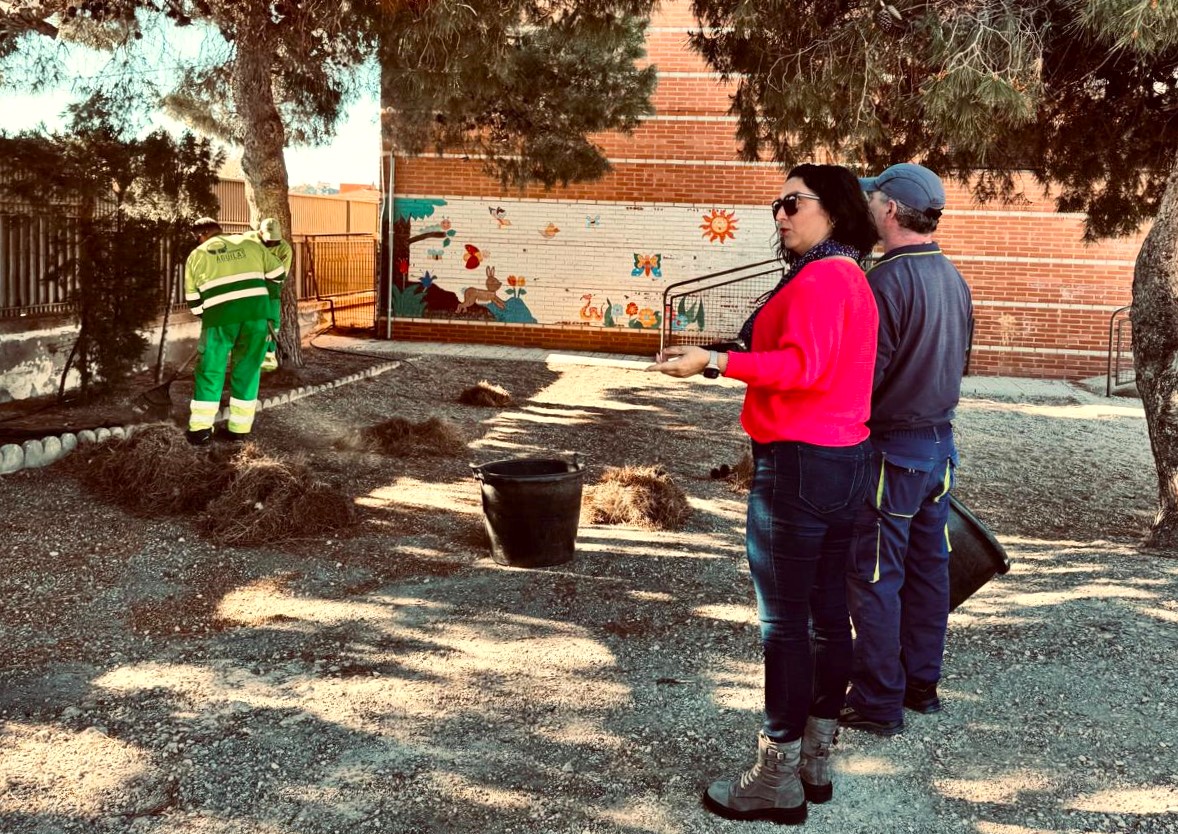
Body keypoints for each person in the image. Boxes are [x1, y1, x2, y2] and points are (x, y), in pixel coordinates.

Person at [648, 164, 879, 824]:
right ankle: (815, 759)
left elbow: (803, 367)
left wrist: (715, 362)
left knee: (786, 628)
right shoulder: (848, 274)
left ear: (832, 208)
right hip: (843, 463)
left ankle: (776, 777)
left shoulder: (826, 277)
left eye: (792, 202)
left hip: (800, 467)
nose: (779, 214)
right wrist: (727, 352)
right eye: (776, 204)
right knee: (828, 616)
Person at [840, 163, 974, 736]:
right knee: (928, 571)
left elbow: (864, 380)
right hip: (940, 451)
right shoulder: (954, 278)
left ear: (890, 209)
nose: (869, 208)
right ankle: (921, 686)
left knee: (874, 576)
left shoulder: (884, 283)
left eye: (874, 200)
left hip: (891, 454)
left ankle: (877, 701)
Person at [184, 217, 287, 445]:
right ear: (220, 230)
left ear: (200, 235)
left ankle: (200, 431)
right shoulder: (250, 245)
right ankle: (239, 430)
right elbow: (279, 274)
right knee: (248, 371)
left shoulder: (197, 255)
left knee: (210, 371)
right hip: (256, 318)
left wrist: (210, 314)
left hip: (219, 321)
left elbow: (193, 301)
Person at [242, 217, 293, 372]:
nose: (272, 244)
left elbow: (280, 275)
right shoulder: (247, 240)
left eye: (275, 241)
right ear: (260, 233)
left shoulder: (285, 249)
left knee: (272, 324)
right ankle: (248, 360)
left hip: (271, 290)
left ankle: (268, 361)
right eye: (268, 241)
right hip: (248, 289)